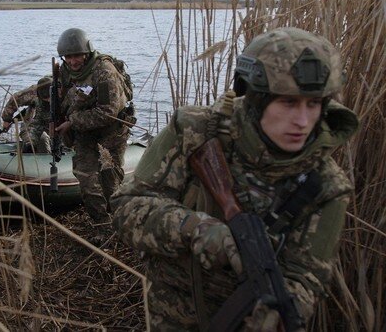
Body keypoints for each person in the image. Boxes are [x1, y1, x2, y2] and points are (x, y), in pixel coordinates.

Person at [111, 27, 359, 330]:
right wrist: (196, 229)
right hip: (171, 314)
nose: (303, 121)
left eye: (313, 104)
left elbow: (306, 274)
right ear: (256, 99)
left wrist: (282, 311)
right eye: (289, 103)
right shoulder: (195, 133)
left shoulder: (326, 185)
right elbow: (126, 208)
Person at [54, 28, 132, 225]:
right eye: (68, 57)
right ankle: (102, 224)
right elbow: (63, 99)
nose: (73, 61)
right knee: (85, 179)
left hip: (112, 132)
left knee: (110, 181)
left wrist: (72, 121)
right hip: (84, 134)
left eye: (77, 55)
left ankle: (120, 221)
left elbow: (108, 112)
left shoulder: (104, 71)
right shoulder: (64, 71)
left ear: (87, 52)